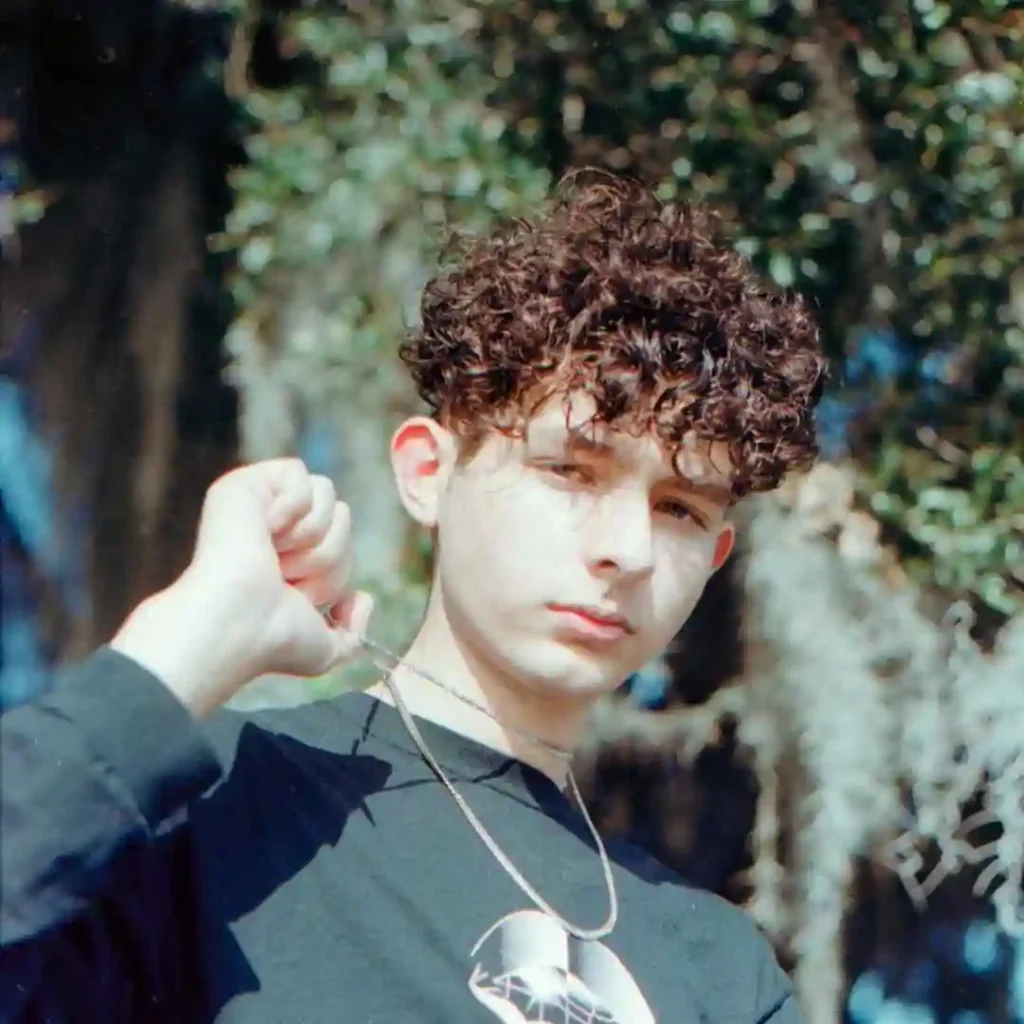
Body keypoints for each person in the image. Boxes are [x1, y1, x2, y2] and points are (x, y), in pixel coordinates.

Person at [0, 174, 825, 1022]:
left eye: (679, 509)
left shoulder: (721, 972)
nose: (628, 549)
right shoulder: (218, 814)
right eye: (570, 471)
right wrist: (180, 651)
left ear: (717, 554)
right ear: (428, 473)